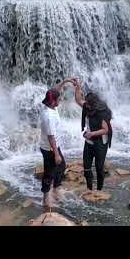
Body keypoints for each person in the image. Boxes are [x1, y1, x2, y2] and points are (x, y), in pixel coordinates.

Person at [39, 77, 75, 208]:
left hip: (52, 146)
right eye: (58, 99)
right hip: (49, 148)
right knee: (49, 172)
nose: (61, 100)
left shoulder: (50, 105)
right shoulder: (48, 116)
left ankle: (55, 190)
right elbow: (51, 137)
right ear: (53, 101)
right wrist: (56, 154)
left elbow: (56, 90)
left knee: (61, 167)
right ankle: (45, 199)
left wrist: (66, 81)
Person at [72, 80, 113, 192]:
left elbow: (106, 130)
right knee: (86, 167)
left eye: (88, 104)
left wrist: (91, 134)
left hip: (100, 143)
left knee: (99, 168)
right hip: (89, 143)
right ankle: (90, 189)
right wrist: (77, 87)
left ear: (93, 104)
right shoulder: (87, 106)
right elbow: (78, 100)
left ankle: (99, 190)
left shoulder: (102, 112)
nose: (86, 105)